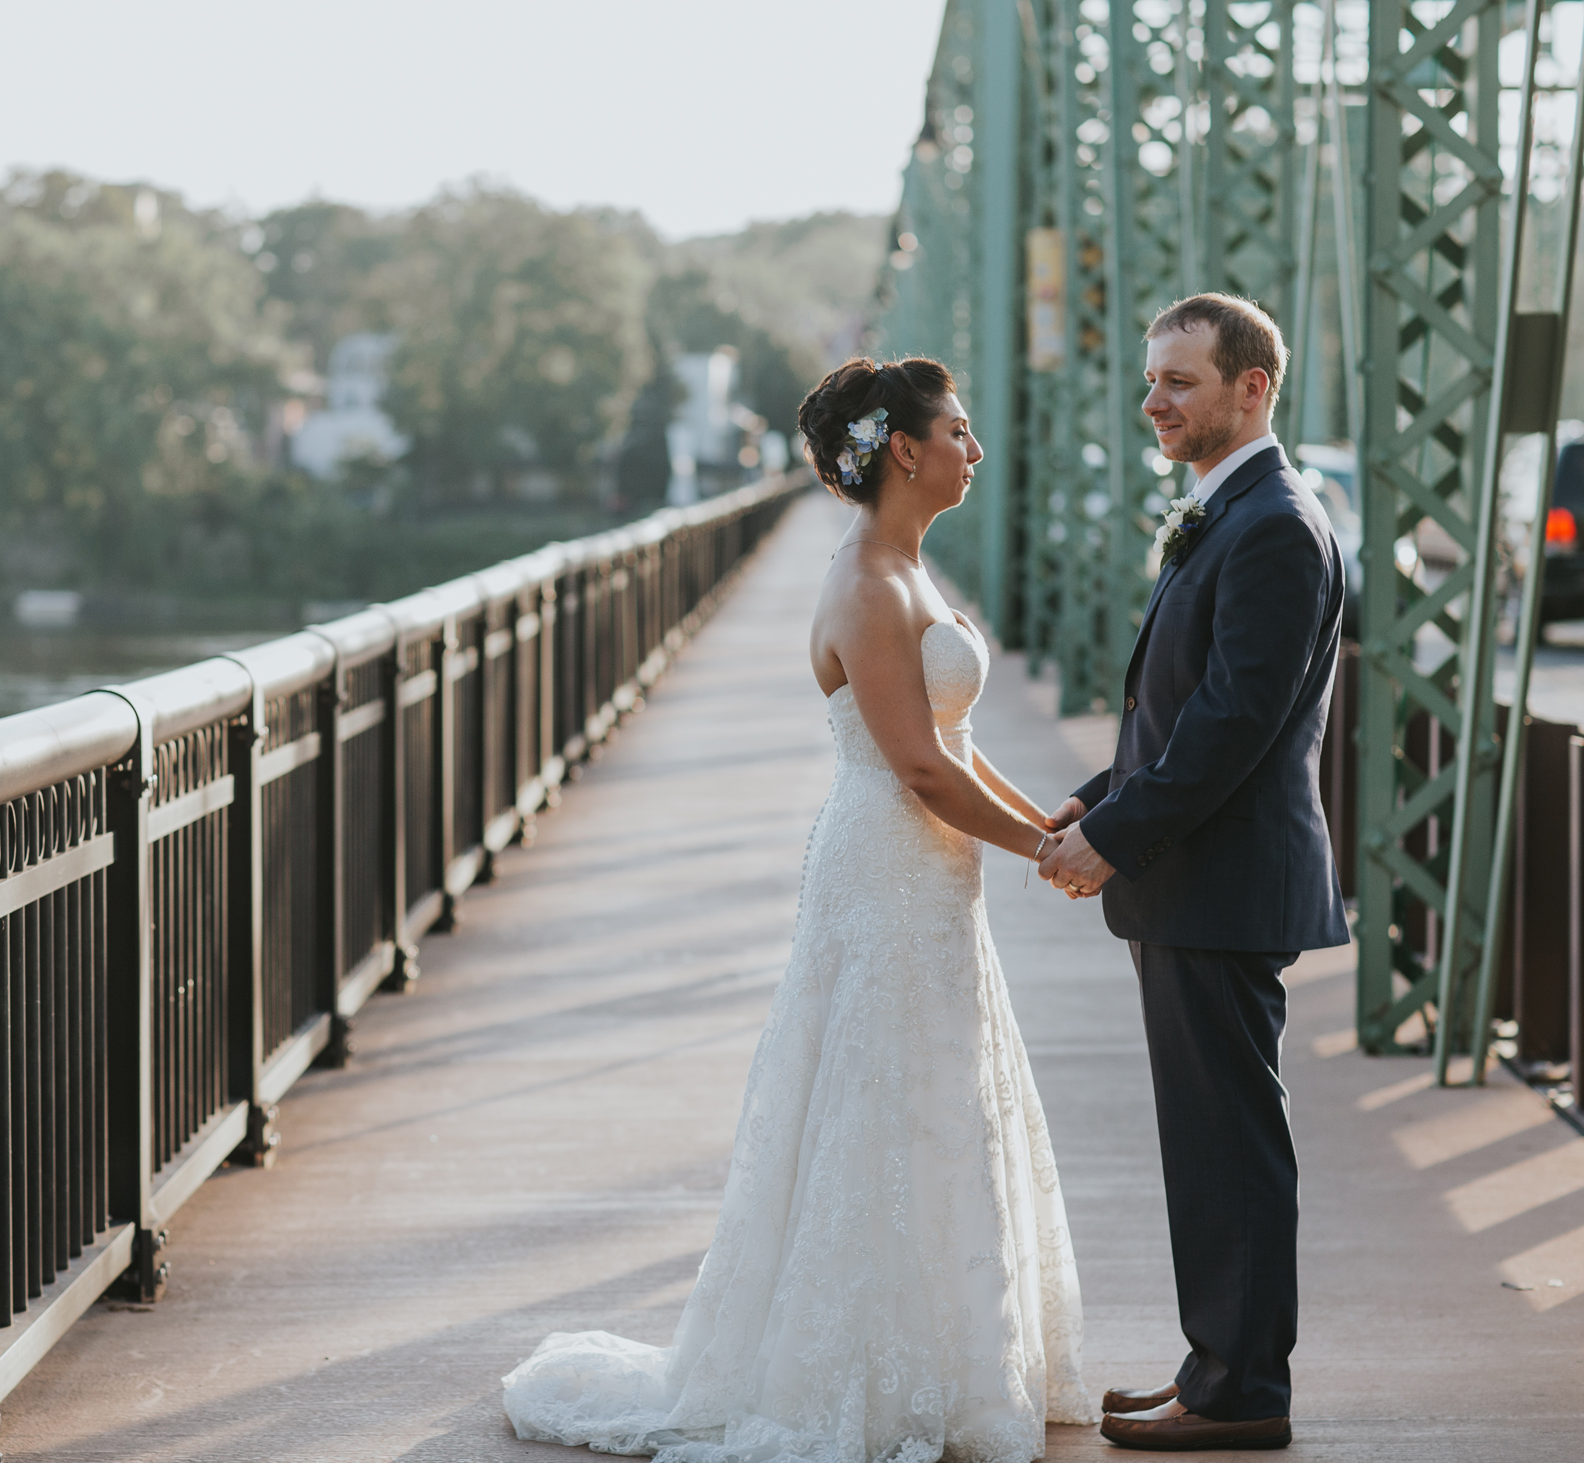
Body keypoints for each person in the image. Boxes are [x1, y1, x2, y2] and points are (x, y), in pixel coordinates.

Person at [501, 357, 1101, 1462]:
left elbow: (957, 747)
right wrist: (1048, 852)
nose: (974, 449)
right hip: (884, 866)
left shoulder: (907, 569)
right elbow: (918, 766)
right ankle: (865, 1369)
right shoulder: (869, 585)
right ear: (905, 451)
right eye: (958, 431)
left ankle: (949, 1354)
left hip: (930, 871)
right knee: (878, 1095)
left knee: (938, 1091)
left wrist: (1059, 820)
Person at [1039, 293, 1348, 1452]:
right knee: (1209, 1137)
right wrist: (1101, 796)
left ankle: (1240, 1391)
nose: (1153, 400)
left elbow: (1230, 724)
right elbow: (1176, 711)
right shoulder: (1235, 512)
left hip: (1222, 882)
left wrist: (1115, 839)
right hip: (1200, 877)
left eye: (1179, 380)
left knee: (1229, 1141)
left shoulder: (1271, 523)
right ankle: (1211, 1366)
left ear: (1250, 387)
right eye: (1152, 377)